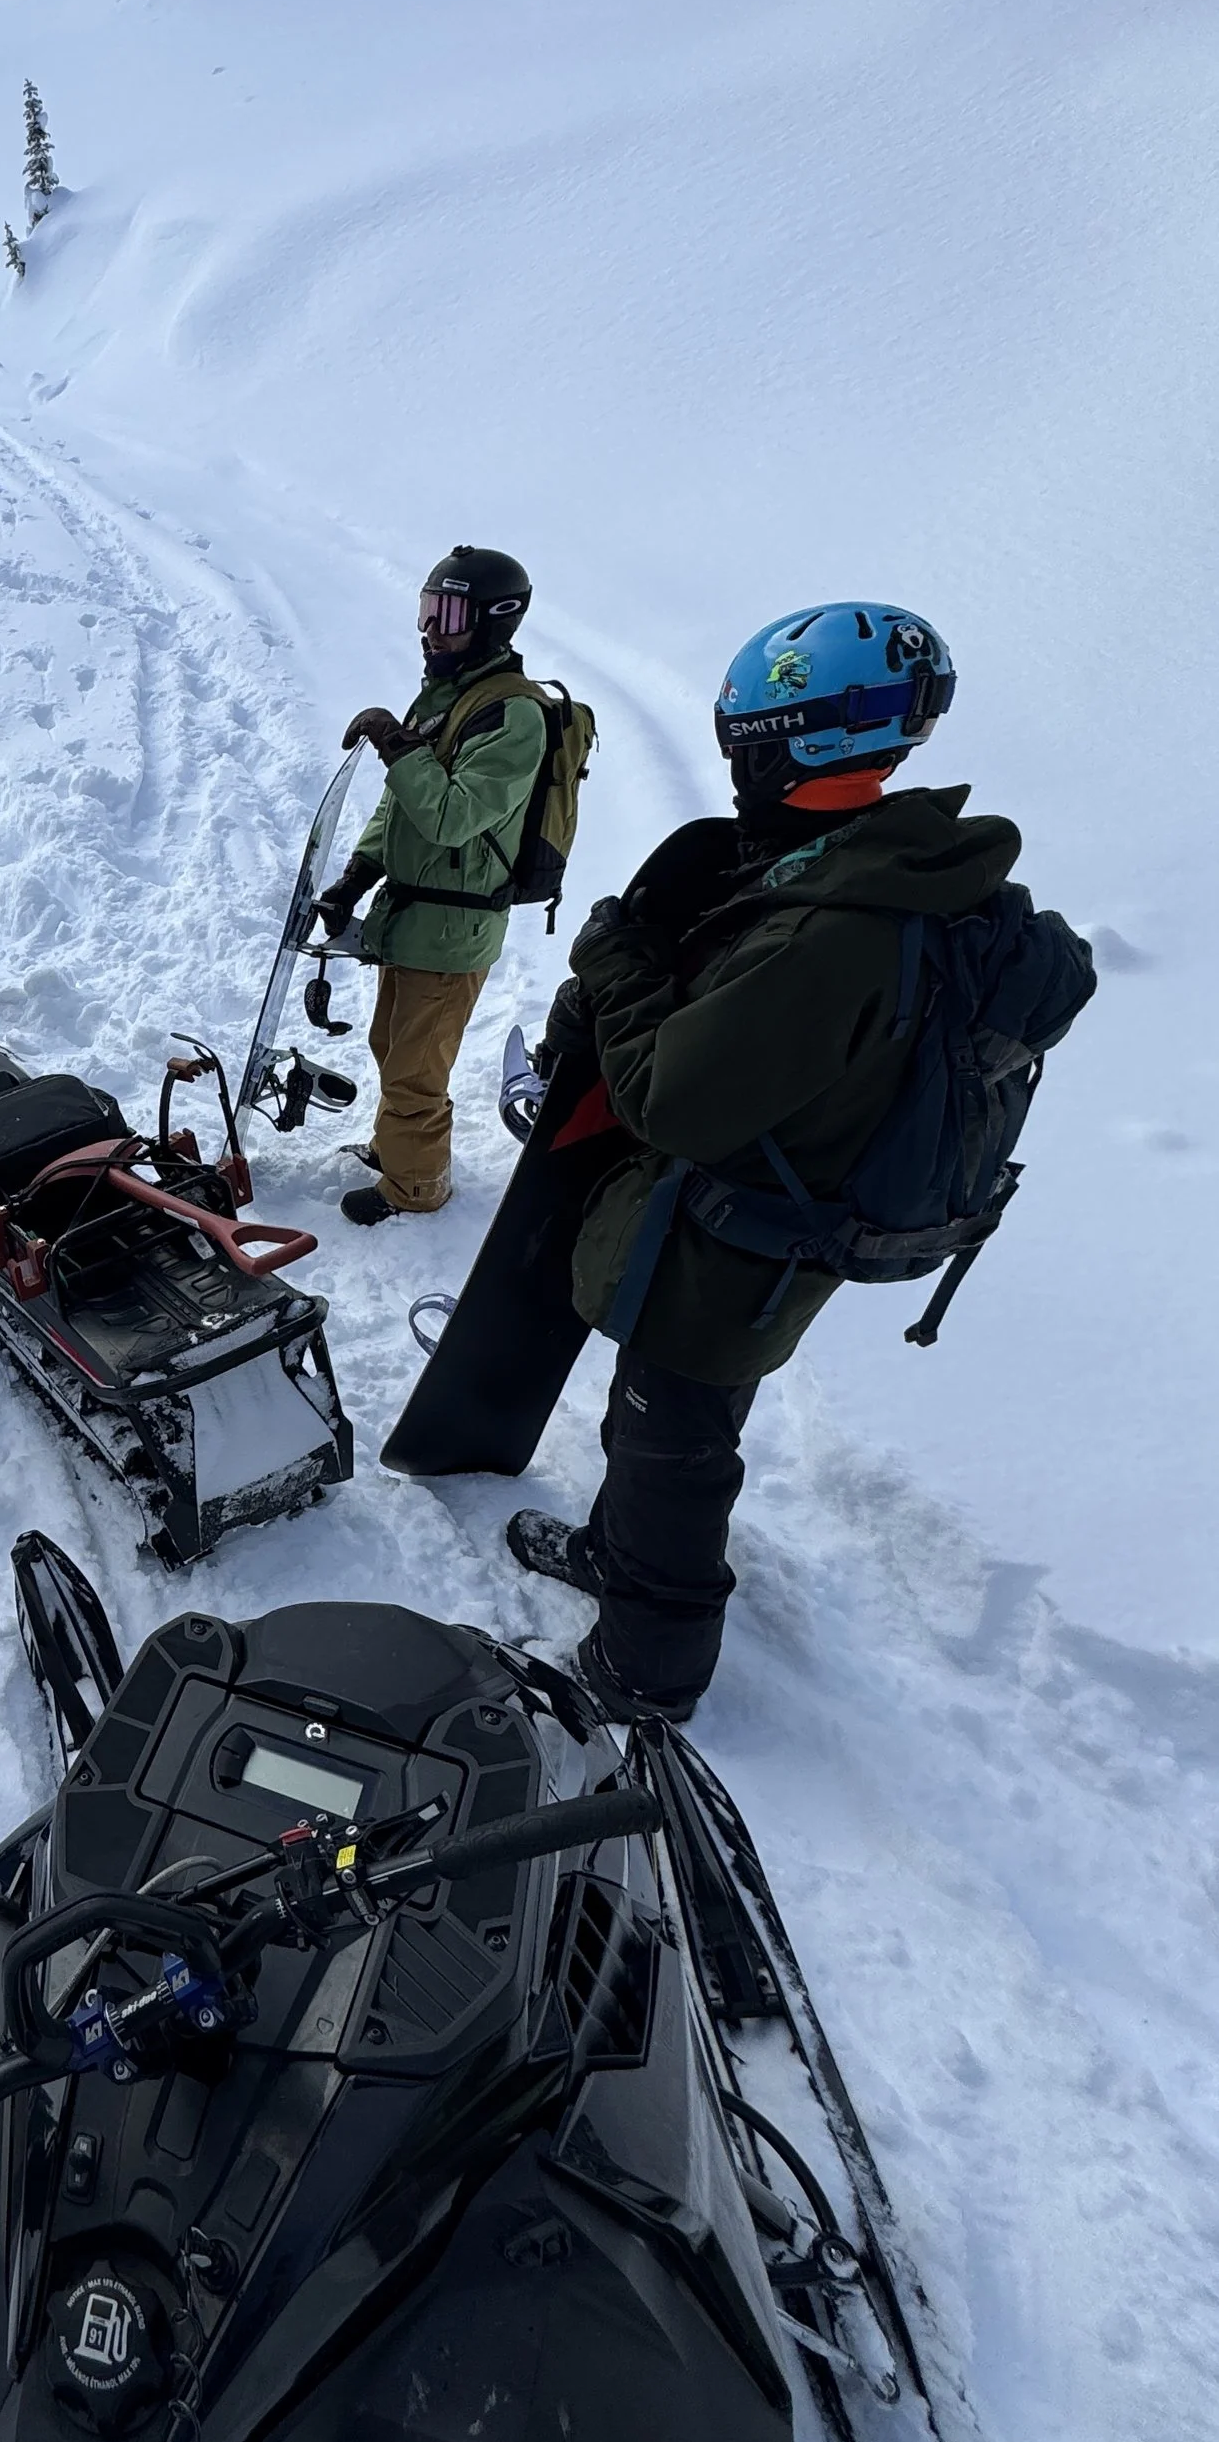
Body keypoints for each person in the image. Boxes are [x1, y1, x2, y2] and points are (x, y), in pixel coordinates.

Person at [504, 600, 1031, 1721]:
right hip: (788, 1210)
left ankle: (645, 1669)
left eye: (748, 738)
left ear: (808, 739)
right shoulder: (887, 865)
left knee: (674, 1444)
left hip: (737, 1239)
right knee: (658, 1419)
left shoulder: (834, 927)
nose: (736, 760)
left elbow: (667, 1098)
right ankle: (613, 1554)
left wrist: (615, 963)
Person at [313, 547, 549, 1227]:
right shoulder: (449, 698)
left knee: (417, 1063)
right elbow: (401, 807)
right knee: (392, 1043)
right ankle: (398, 1147)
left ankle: (417, 1185)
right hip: (416, 916)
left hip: (455, 926)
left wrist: (396, 741)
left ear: (495, 621)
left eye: (447, 614)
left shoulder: (513, 716)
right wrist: (357, 877)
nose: (430, 629)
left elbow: (449, 815)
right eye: (426, 611)